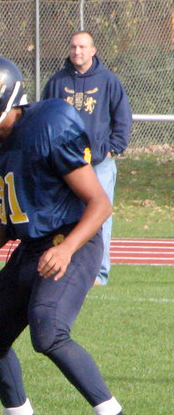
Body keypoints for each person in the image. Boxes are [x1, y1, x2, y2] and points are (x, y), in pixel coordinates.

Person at [0, 56, 143, 415]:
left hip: (73, 240)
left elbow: (99, 204)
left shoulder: (48, 125)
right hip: (33, 247)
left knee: (49, 330)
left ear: (2, 97)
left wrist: (67, 248)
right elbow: (7, 216)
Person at [41, 31, 132, 286]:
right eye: (73, 47)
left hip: (98, 165)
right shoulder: (58, 82)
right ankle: (61, 263)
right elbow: (44, 116)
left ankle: (99, 273)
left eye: (82, 47)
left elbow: (122, 118)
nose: (77, 51)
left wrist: (113, 148)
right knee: (61, 216)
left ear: (93, 51)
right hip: (63, 165)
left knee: (100, 215)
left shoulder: (108, 81)